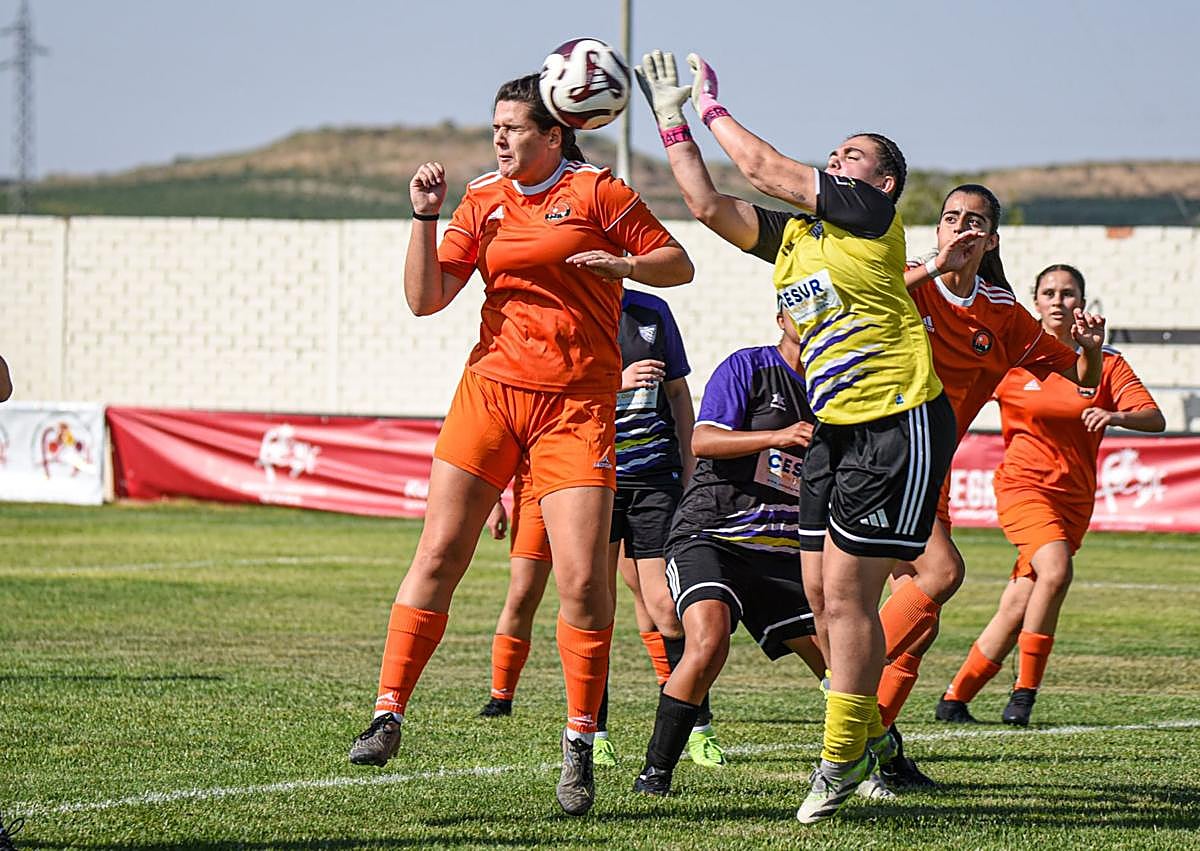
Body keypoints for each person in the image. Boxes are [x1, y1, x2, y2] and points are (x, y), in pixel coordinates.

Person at [347, 72, 694, 818]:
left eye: (514, 127)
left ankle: (577, 742)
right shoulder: (479, 198)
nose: (500, 137)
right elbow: (425, 298)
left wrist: (624, 264)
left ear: (555, 134)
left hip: (575, 410)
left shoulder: (600, 191)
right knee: (439, 552)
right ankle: (387, 712)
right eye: (495, 126)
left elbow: (678, 264)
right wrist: (423, 217)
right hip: (490, 396)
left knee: (580, 583)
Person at [636, 50, 956, 824]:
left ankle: (842, 759)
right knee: (820, 598)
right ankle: (864, 749)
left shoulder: (869, 215)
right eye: (838, 150)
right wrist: (670, 119)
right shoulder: (798, 237)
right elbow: (709, 205)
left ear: (879, 182)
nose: (837, 157)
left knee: (846, 598)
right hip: (836, 431)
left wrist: (712, 107)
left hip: (896, 420)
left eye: (853, 154)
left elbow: (768, 167)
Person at [869, 184, 1106, 786]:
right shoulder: (906, 278)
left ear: (992, 238)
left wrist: (1091, 353)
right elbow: (857, 301)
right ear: (939, 229)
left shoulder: (1000, 311)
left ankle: (871, 756)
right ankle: (844, 684)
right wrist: (930, 269)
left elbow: (1076, 376)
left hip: (932, 467)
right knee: (943, 575)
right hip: (881, 455)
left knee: (919, 625)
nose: (960, 227)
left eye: (975, 221)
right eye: (951, 218)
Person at [937, 264, 1164, 726]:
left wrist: (1115, 416)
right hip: (1021, 487)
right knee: (1056, 571)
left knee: (1021, 599)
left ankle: (955, 699)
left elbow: (1153, 417)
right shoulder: (1013, 357)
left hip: (1074, 498)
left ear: (1081, 302)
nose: (1058, 301)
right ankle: (1024, 694)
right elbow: (960, 389)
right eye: (1049, 293)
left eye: (1068, 293)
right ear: (1035, 302)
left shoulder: (1107, 363)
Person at [633, 306, 827, 798]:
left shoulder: (839, 387)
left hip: (784, 551)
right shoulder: (748, 366)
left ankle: (885, 760)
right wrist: (778, 435)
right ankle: (656, 773)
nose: (815, 317)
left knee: (842, 661)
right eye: (802, 308)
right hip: (713, 535)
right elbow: (703, 439)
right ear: (781, 316)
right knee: (709, 639)